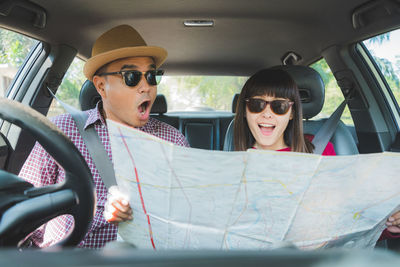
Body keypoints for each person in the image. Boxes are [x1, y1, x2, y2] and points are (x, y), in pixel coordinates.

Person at [19, 24, 189, 249]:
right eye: (131, 77)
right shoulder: (60, 132)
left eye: (151, 76)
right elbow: (23, 207)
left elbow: (188, 221)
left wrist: (142, 213)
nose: (146, 87)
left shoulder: (173, 142)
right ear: (101, 86)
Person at [233, 67, 400, 242]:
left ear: (291, 113)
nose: (267, 113)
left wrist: (388, 226)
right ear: (244, 110)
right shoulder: (229, 165)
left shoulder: (320, 153)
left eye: (279, 106)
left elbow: (349, 214)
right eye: (256, 104)